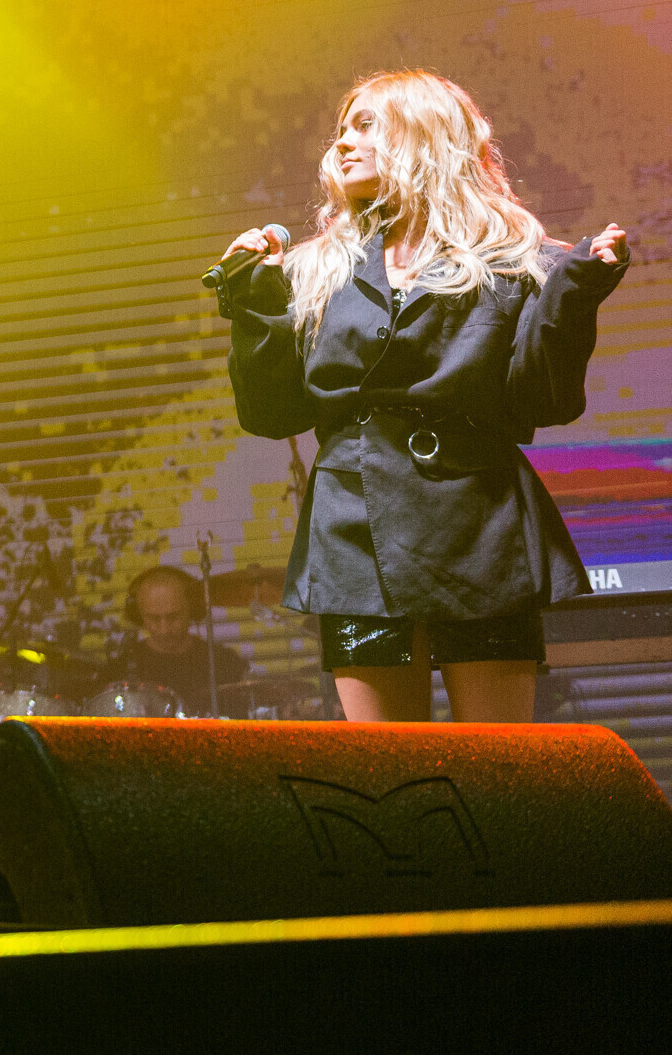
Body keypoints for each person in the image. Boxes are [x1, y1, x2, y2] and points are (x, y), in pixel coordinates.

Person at [216, 69, 628, 723]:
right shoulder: (316, 269)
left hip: (479, 522)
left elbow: (542, 401)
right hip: (354, 525)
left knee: (495, 762)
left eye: (366, 125)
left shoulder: (515, 258)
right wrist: (256, 301)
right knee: (390, 770)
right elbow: (272, 413)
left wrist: (574, 296)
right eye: (341, 129)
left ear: (425, 136)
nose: (342, 143)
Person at [103, 566, 247, 711]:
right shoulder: (120, 671)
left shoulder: (223, 663)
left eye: (173, 617)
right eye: (154, 618)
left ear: (193, 610)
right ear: (138, 616)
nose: (164, 629)